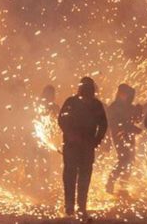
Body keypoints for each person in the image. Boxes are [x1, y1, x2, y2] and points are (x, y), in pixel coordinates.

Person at [58, 77, 107, 218]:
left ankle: (80, 206)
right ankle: (70, 207)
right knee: (70, 176)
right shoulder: (71, 102)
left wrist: (95, 141)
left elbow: (103, 125)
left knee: (83, 177)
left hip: (85, 147)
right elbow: (62, 119)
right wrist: (71, 134)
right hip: (73, 146)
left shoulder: (96, 105)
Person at [106, 83, 143, 195]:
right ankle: (111, 182)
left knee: (130, 160)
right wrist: (132, 128)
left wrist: (139, 111)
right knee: (124, 159)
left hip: (129, 137)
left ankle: (123, 187)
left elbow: (137, 120)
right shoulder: (115, 107)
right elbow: (118, 123)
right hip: (119, 137)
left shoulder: (129, 106)